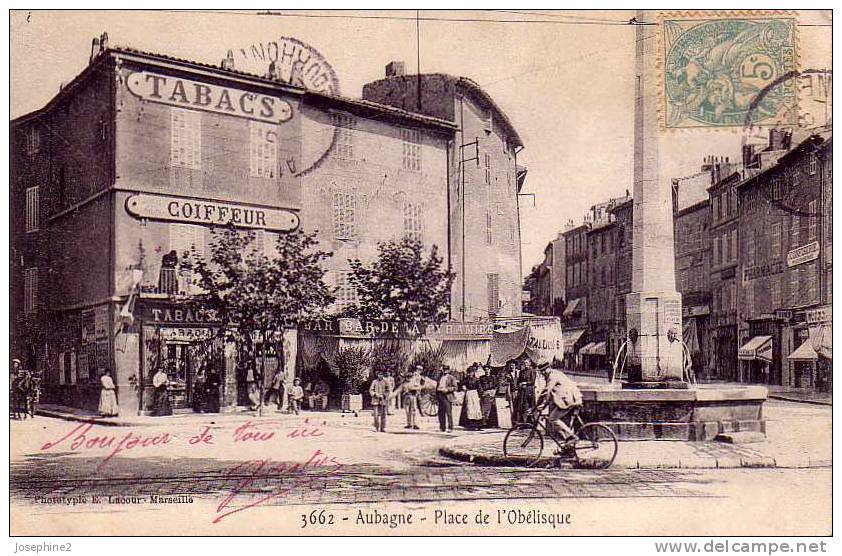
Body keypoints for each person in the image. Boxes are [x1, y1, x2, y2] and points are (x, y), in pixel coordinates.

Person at [539, 363, 583, 441]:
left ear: (549, 368)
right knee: (563, 424)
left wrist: (537, 404)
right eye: (541, 371)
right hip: (570, 398)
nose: (542, 373)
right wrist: (543, 404)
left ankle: (572, 436)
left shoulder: (552, 376)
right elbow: (550, 395)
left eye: (544, 370)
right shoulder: (555, 373)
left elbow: (546, 391)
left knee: (552, 419)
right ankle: (568, 446)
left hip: (568, 400)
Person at [459, 365, 483, 430]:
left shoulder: (476, 379)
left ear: (473, 372)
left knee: (476, 408)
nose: (470, 373)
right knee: (470, 408)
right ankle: (470, 424)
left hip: (475, 394)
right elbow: (460, 384)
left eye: (471, 372)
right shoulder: (466, 379)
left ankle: (477, 424)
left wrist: (480, 395)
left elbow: (479, 387)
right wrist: (463, 387)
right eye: (469, 372)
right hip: (469, 394)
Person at [436, 365, 458, 432]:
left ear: (448, 370)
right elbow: (437, 387)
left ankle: (450, 428)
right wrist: (436, 396)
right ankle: (442, 428)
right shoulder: (440, 377)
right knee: (441, 413)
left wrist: (447, 389)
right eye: (444, 369)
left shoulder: (451, 378)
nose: (445, 370)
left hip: (447, 396)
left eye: (446, 369)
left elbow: (455, 387)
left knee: (448, 413)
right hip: (440, 396)